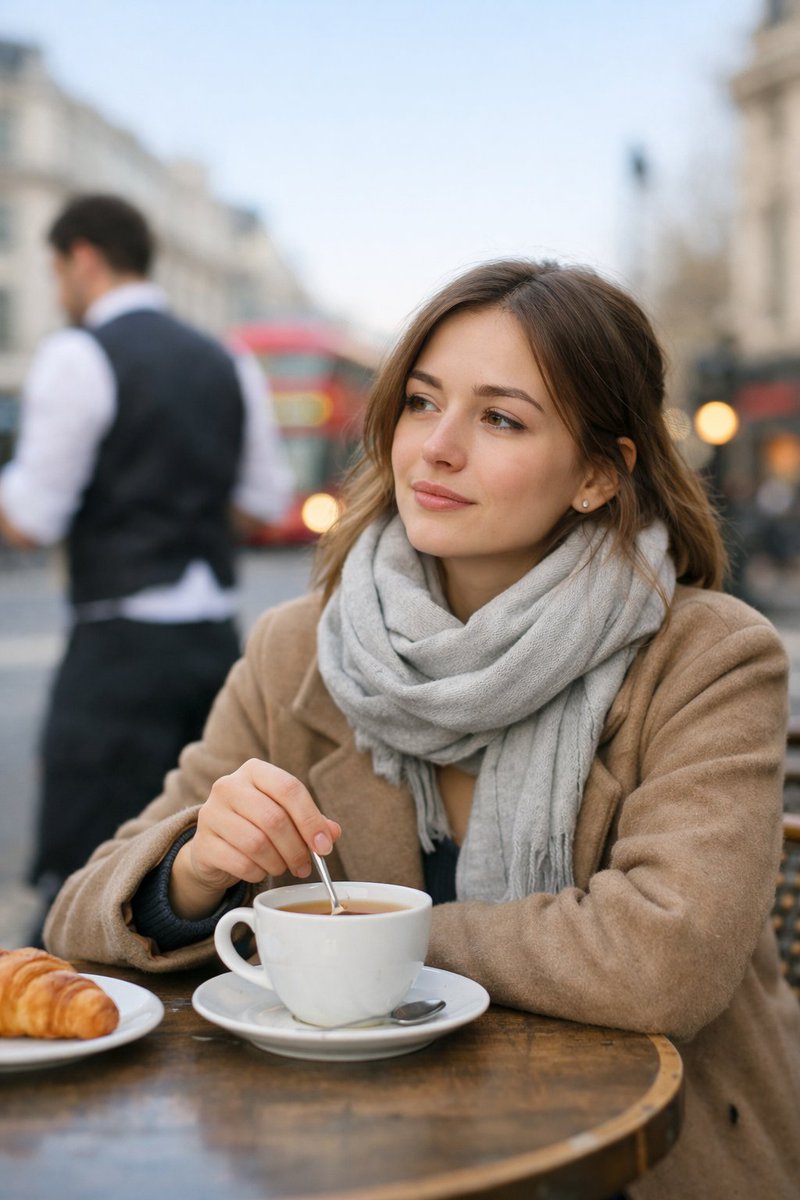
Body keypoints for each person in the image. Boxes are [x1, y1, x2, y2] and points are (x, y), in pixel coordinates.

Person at [45, 260, 799, 1199]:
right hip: (350, 1148)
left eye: (501, 419)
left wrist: (359, 942)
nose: (436, 448)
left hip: (639, 1162)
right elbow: (80, 916)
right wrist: (192, 872)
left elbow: (664, 961)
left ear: (598, 475)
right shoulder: (301, 649)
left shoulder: (710, 656)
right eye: (421, 402)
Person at [0, 193, 293, 925]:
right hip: (214, 648)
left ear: (83, 258)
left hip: (117, 653)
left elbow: (32, 519)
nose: (59, 290)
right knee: (205, 871)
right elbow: (264, 501)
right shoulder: (228, 358)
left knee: (85, 876)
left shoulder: (78, 353)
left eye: (57, 271)